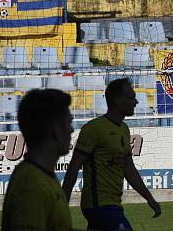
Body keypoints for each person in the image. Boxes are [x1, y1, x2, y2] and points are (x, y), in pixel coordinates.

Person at [63, 78, 162, 231]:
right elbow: (73, 169)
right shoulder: (94, 129)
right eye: (131, 97)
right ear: (117, 100)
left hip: (112, 205)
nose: (136, 102)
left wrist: (149, 198)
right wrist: (61, 208)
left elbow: (129, 169)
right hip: (99, 205)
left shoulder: (123, 129)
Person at [1, 89, 74, 231]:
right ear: (56, 130)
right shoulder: (33, 186)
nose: (71, 130)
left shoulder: (40, 175)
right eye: (69, 122)